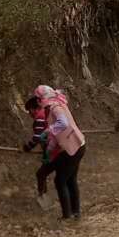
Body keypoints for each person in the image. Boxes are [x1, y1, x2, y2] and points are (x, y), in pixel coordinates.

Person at [34, 85, 86, 219]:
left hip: (72, 148)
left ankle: (67, 216)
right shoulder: (59, 104)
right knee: (70, 180)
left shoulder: (54, 107)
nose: (38, 102)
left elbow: (62, 123)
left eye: (38, 99)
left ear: (42, 99)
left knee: (60, 180)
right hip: (78, 145)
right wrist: (48, 153)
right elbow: (56, 137)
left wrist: (47, 131)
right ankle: (75, 213)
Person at [21, 94, 53, 209]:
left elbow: (37, 137)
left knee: (41, 174)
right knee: (43, 173)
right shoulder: (45, 114)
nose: (29, 114)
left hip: (51, 149)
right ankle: (44, 194)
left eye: (29, 111)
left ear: (34, 109)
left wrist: (27, 147)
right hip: (50, 148)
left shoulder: (40, 117)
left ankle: (43, 196)